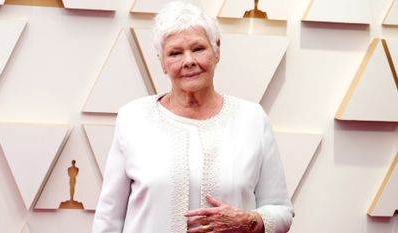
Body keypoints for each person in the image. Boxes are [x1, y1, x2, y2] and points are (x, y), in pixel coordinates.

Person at [92, 1, 294, 232]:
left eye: (198, 49)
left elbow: (281, 211)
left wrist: (248, 220)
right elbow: (108, 219)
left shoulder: (252, 119)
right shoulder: (133, 118)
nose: (188, 61)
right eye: (175, 53)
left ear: (216, 50)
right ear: (162, 62)